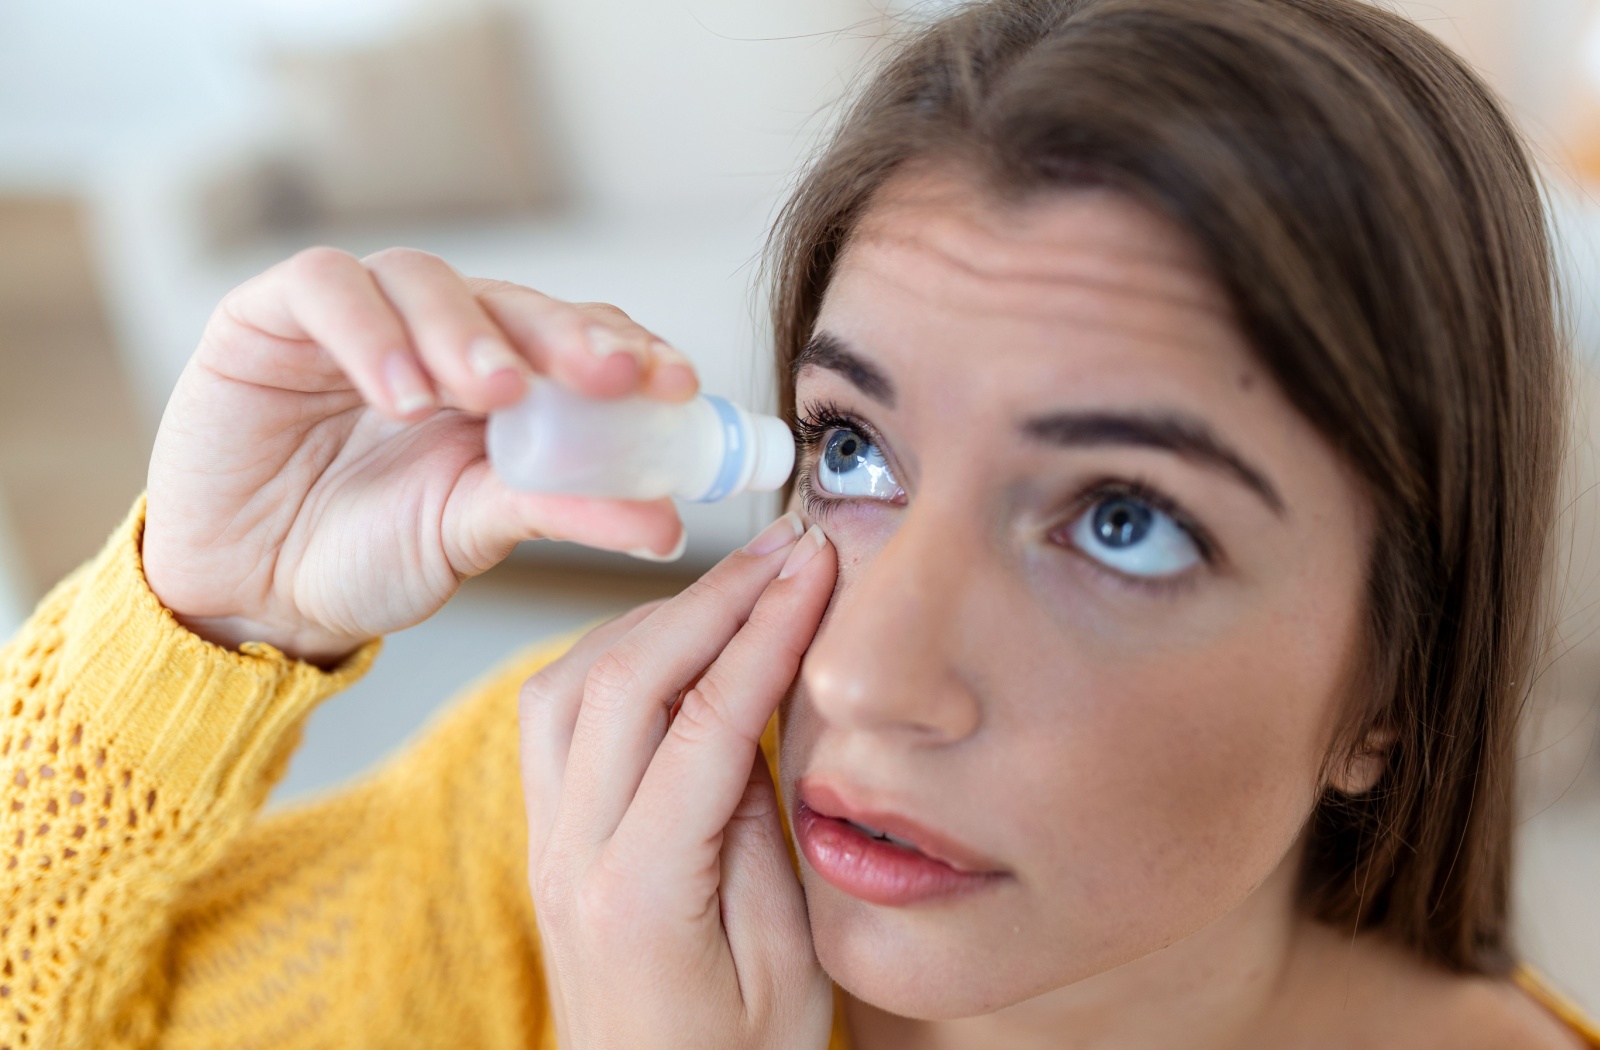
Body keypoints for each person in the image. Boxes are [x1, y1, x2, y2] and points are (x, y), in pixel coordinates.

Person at [2, 0, 1597, 1046]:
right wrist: (201, 621)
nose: (868, 679)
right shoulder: (583, 838)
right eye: (851, 448)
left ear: (1394, 683)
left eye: (1123, 519)